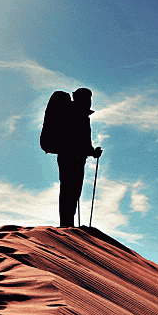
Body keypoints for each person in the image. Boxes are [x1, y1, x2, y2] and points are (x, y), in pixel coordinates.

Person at [57, 88, 102, 227]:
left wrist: (92, 152)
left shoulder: (78, 116)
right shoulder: (75, 116)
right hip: (72, 158)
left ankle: (67, 223)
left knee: (71, 191)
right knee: (70, 191)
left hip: (73, 158)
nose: (89, 102)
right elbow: (79, 141)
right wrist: (91, 152)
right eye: (87, 98)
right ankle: (66, 225)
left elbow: (84, 143)